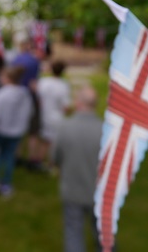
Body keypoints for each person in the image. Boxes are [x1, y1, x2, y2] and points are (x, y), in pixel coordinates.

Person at [53, 86, 103, 252]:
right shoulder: (106, 130)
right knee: (102, 231)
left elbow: (55, 157)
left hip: (73, 189)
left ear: (78, 103)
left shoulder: (65, 127)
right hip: (99, 192)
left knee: (73, 232)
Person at [0, 66, 33, 197]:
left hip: (2, 130)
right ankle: (6, 184)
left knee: (2, 154)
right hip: (17, 131)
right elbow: (30, 111)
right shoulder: (24, 93)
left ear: (7, 79)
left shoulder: (1, 94)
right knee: (9, 156)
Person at [11, 37, 42, 169]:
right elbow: (35, 80)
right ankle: (31, 157)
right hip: (30, 94)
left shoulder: (15, 60)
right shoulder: (34, 60)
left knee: (17, 126)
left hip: (17, 95)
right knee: (33, 130)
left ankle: (17, 156)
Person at [37, 60, 71, 168]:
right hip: (57, 117)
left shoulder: (43, 82)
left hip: (44, 114)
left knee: (46, 140)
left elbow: (39, 99)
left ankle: (40, 160)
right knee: (54, 142)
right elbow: (66, 106)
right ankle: (51, 163)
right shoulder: (63, 85)